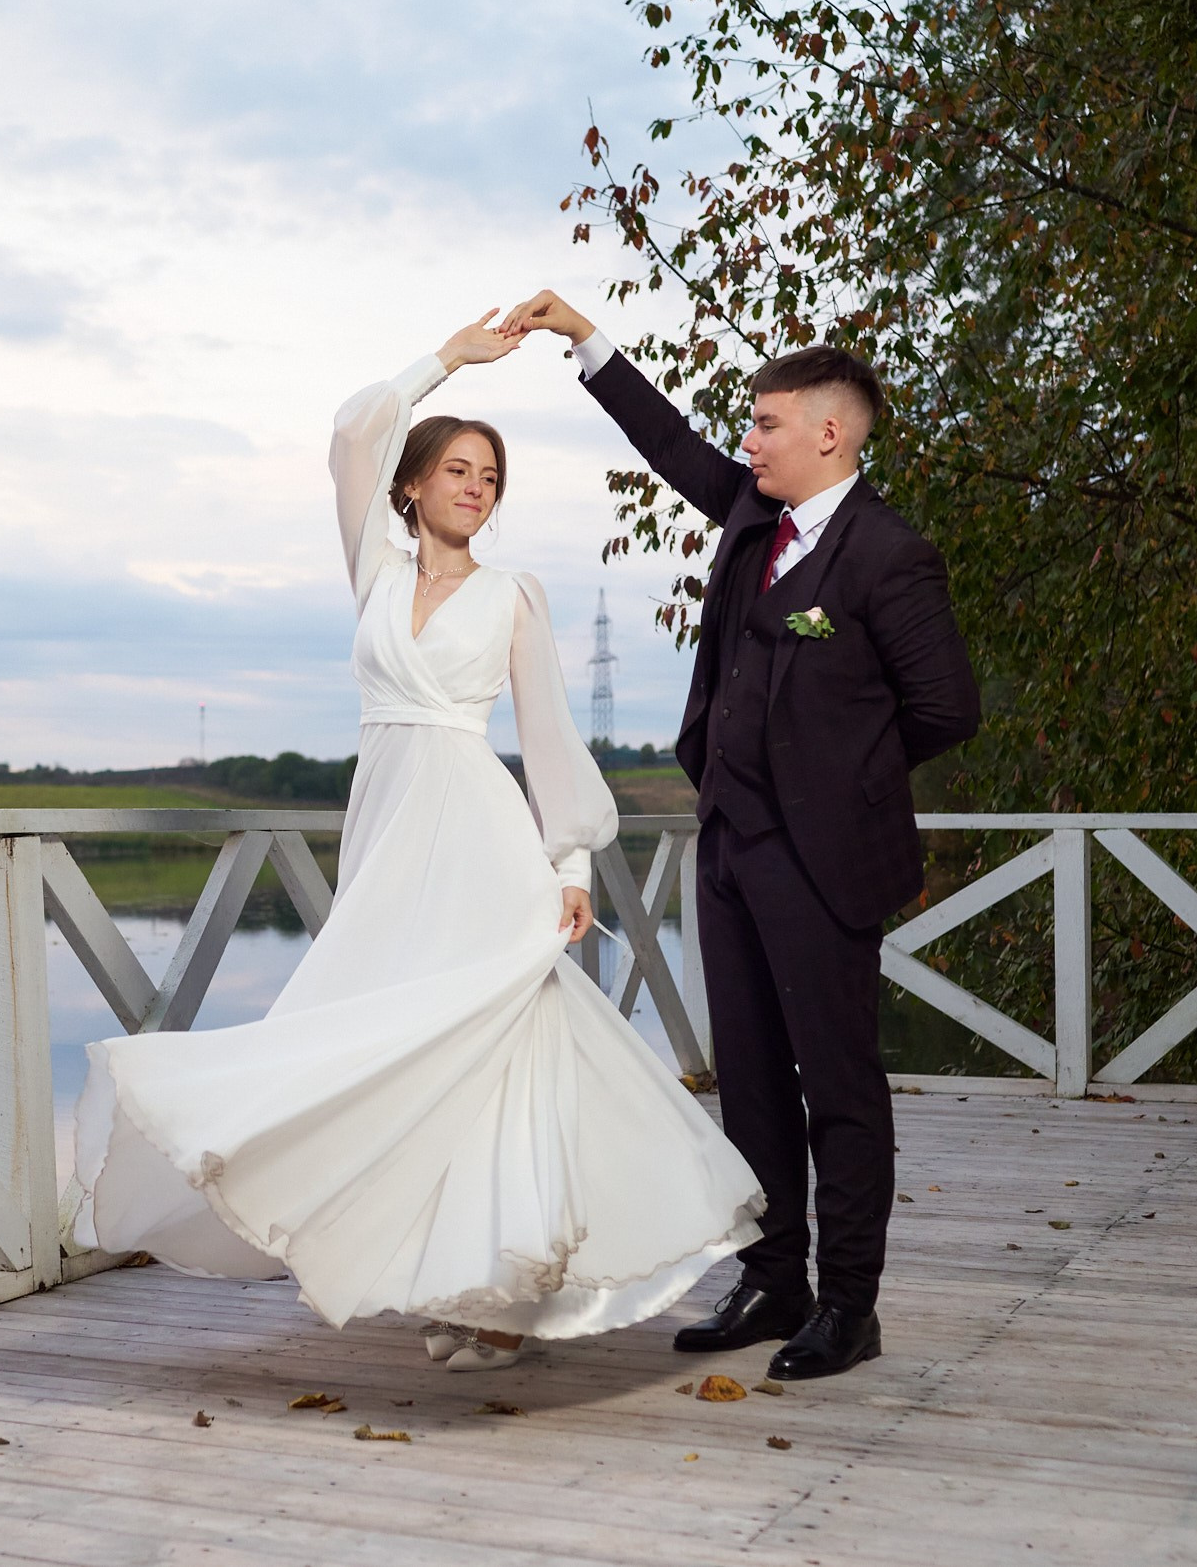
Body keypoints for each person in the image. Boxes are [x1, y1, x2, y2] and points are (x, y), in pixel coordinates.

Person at [70, 310, 764, 1372]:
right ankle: (421, 1263)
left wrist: (569, 861)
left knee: (487, 1048)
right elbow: (355, 429)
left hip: (479, 834)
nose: (477, 485)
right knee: (384, 1045)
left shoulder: (514, 595)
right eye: (456, 467)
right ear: (411, 487)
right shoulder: (375, 574)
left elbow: (547, 736)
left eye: (490, 474)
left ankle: (493, 1287)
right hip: (389, 835)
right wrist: (447, 359)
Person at [499, 290, 980, 1381]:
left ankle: (849, 1308)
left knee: (839, 1086)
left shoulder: (888, 555)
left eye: (765, 424)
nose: (747, 441)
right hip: (729, 851)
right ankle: (774, 1278)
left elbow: (947, 709)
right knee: (753, 1079)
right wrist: (586, 341)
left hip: (825, 863)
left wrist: (834, 779)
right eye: (749, 424)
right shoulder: (752, 517)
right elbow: (670, 444)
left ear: (831, 432)